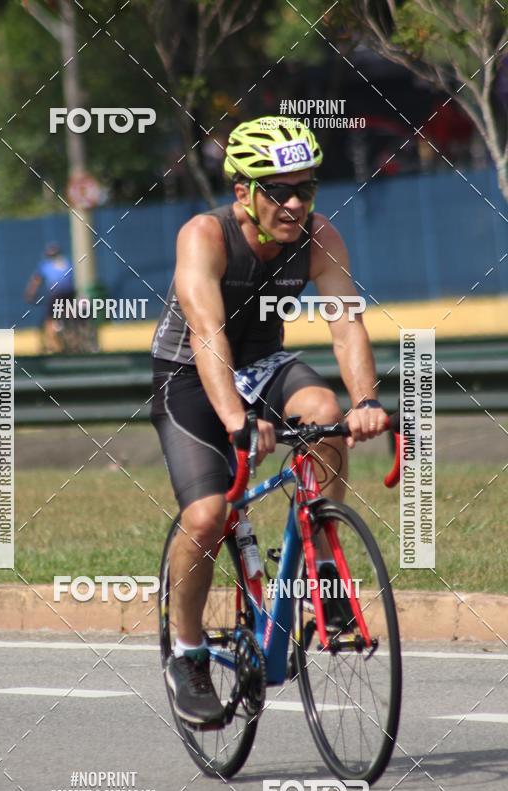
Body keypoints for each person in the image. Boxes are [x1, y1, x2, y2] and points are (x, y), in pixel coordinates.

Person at [150, 117, 388, 726]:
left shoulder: (319, 237)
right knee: (208, 515)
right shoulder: (204, 235)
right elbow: (206, 337)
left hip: (264, 364)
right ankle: (187, 653)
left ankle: (324, 564)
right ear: (242, 192)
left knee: (327, 415)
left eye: (304, 189)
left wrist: (365, 401)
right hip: (191, 374)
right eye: (276, 190)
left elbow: (345, 322)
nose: (292, 203)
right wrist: (235, 419)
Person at [24, 242, 75, 353]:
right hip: (71, 293)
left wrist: (30, 294)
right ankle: (73, 338)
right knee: (70, 315)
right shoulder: (68, 263)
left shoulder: (46, 265)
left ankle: (56, 347)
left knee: (49, 320)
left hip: (56, 294)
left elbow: (36, 281)